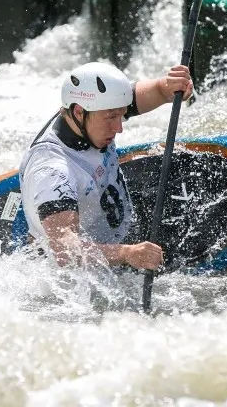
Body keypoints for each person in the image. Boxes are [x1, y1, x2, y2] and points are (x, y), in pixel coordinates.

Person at [19, 62, 193, 271]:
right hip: (91, 269)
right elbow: (65, 250)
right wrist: (127, 253)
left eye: (121, 115)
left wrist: (167, 88)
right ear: (79, 112)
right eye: (111, 118)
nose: (118, 127)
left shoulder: (92, 113)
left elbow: (145, 94)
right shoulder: (52, 171)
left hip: (119, 223)